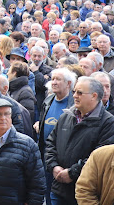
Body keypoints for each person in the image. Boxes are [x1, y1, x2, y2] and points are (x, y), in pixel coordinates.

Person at [45, 76, 114, 205]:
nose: (75, 96)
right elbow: (50, 142)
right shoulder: (66, 116)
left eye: (80, 92)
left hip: (86, 193)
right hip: (59, 189)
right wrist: (53, 166)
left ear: (94, 96)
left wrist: (71, 173)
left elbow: (99, 158)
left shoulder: (108, 123)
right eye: (74, 92)